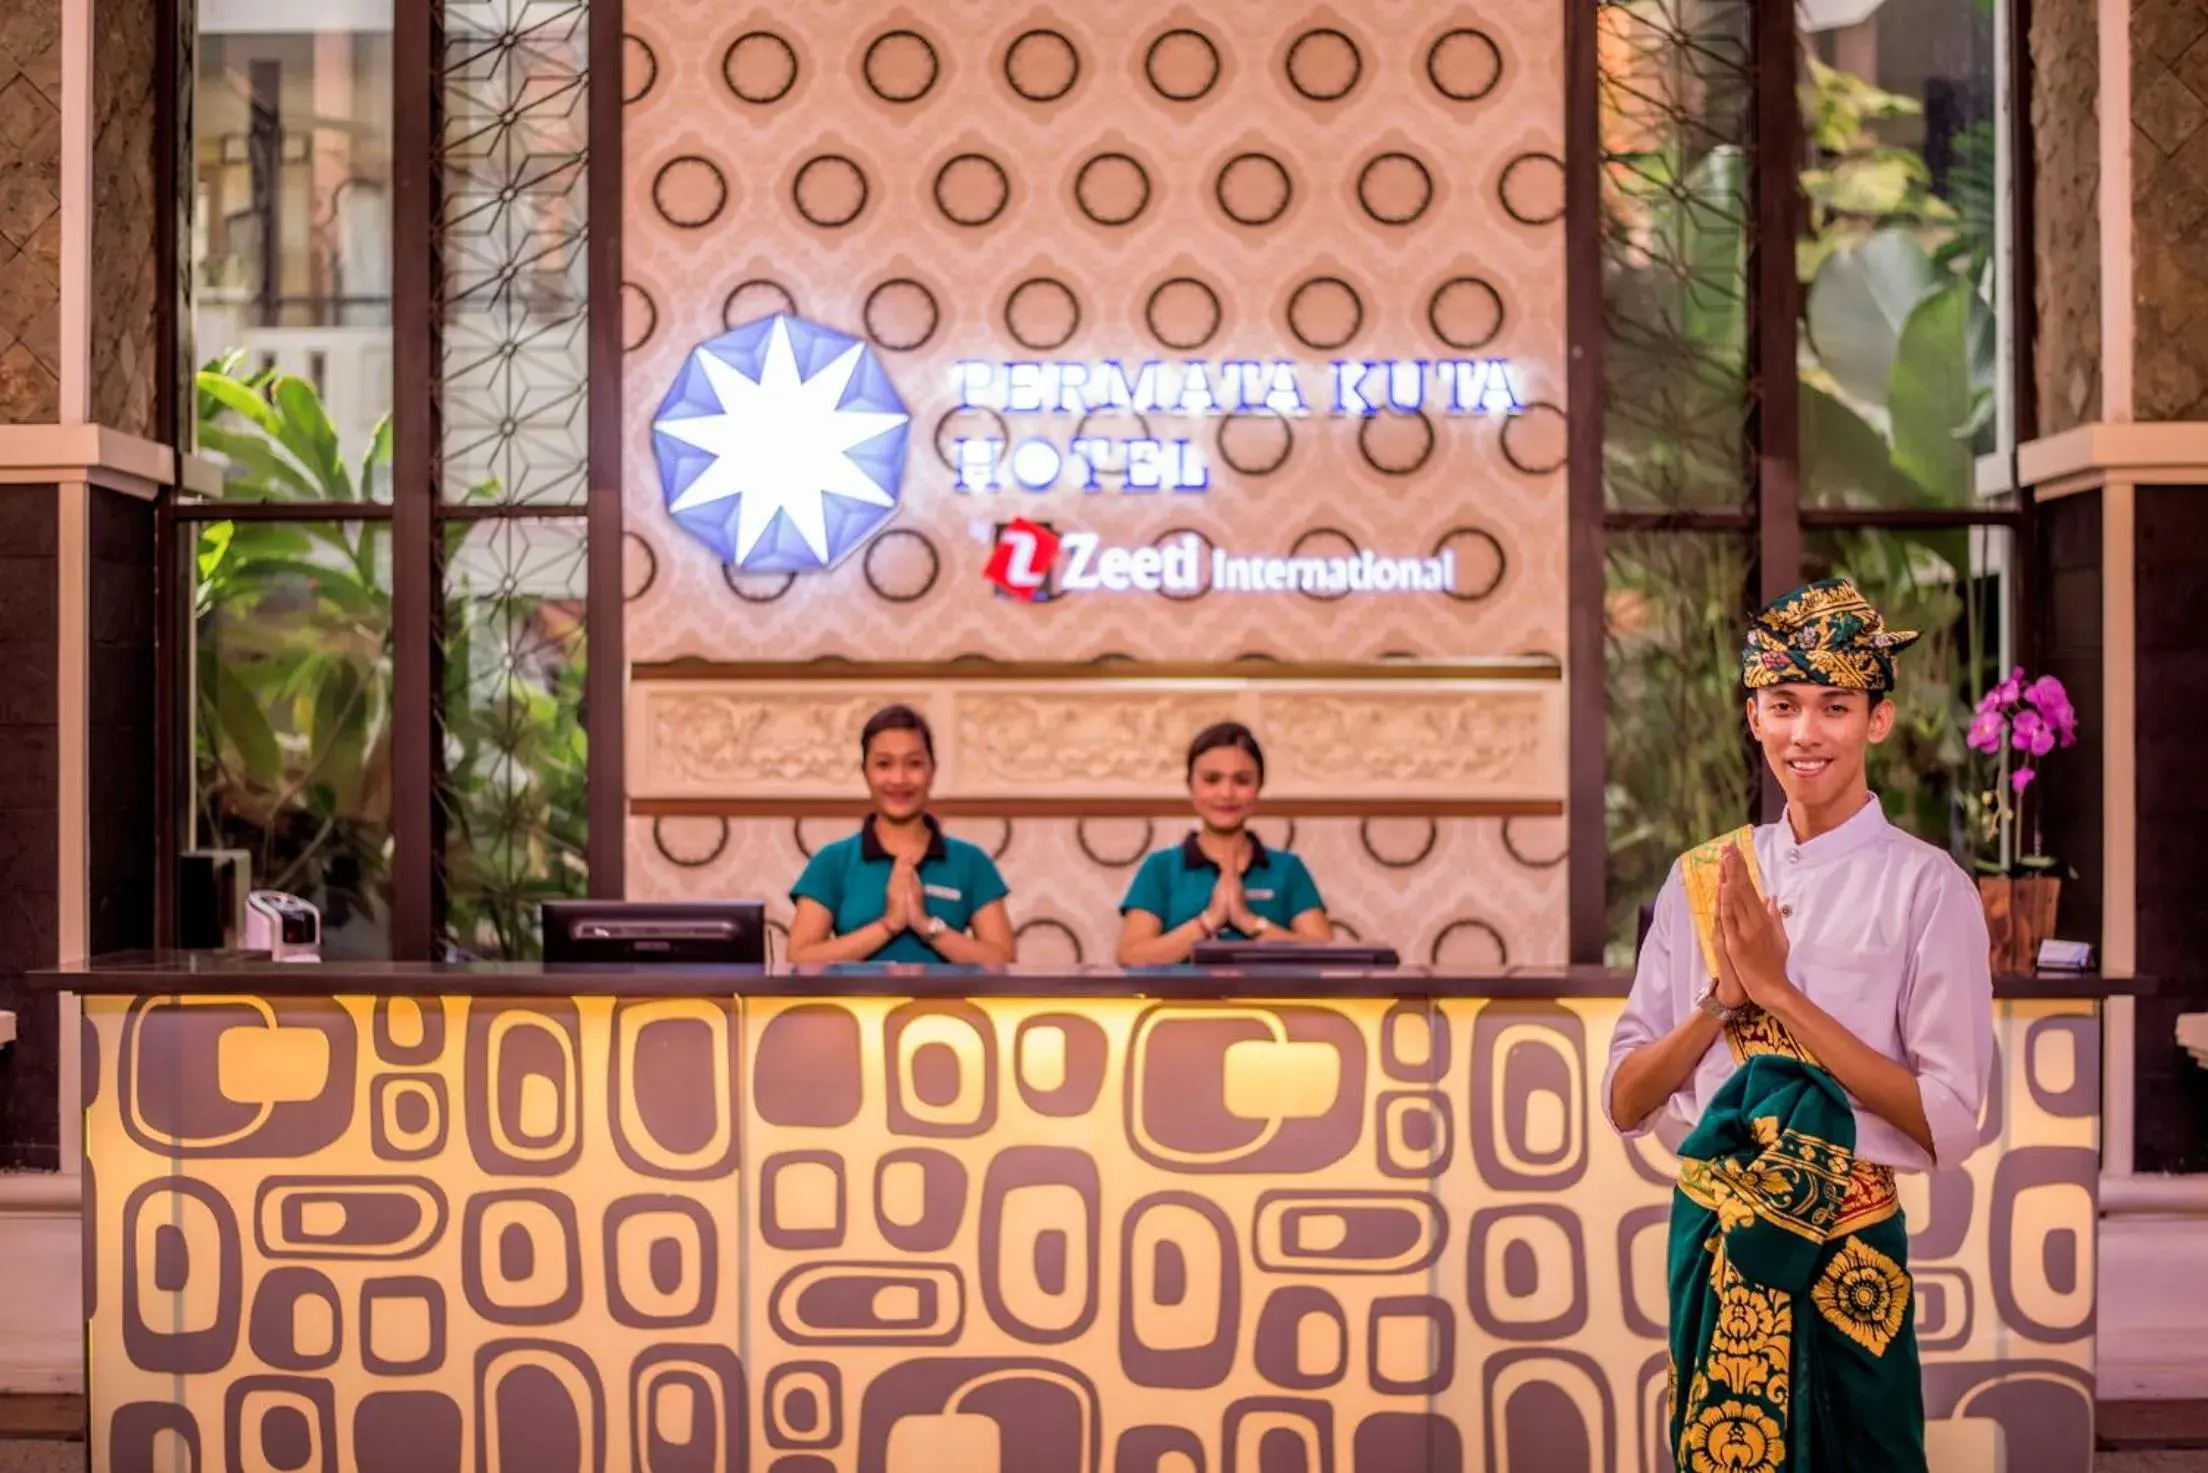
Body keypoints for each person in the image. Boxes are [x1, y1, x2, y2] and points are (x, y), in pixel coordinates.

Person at [1603, 577, 1993, 1473]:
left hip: (1849, 1242)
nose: (1805, 733)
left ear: (1878, 721)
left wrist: (1780, 996)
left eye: (1834, 706)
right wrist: (1719, 1004)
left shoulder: (1928, 888)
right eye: (1783, 705)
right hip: (1716, 1235)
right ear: (1754, 715)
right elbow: (1626, 1100)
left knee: (1866, 1451)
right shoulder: (1705, 875)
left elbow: (1951, 1119)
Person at [785, 705, 1016, 965]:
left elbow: (1002, 960)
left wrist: (925, 925)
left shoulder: (971, 860)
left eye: (914, 764)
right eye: (884, 764)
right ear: (865, 772)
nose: (899, 778)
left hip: (946, 1007)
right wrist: (889, 924)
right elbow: (800, 957)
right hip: (858, 1006)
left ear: (932, 771)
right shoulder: (832, 861)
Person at [1116, 721, 1333, 965]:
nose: (1227, 792)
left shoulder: (1289, 868)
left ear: (1258, 787)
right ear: (1191, 786)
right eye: (1211, 779)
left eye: (1241, 780)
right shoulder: (1159, 868)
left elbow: (1325, 956)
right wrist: (1209, 921)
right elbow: (1131, 956)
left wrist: (1249, 921)